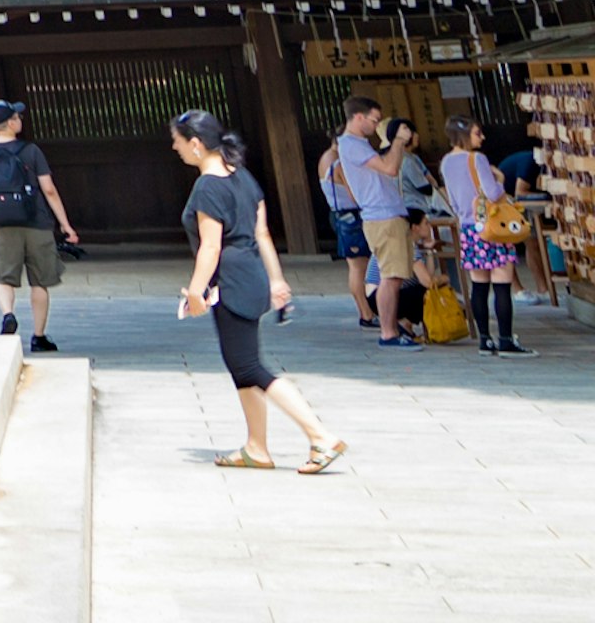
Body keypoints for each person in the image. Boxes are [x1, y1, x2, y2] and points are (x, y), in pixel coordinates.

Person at [175, 110, 343, 475]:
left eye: (177, 141)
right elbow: (262, 234)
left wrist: (195, 292)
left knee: (250, 365)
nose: (175, 148)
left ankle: (320, 435)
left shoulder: (208, 185)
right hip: (252, 276)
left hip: (231, 281)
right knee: (242, 364)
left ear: (195, 144)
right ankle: (256, 447)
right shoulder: (244, 178)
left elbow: (211, 247)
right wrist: (277, 279)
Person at [0, 98, 80, 357]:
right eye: (17, 117)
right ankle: (39, 337)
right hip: (36, 223)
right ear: (10, 122)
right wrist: (66, 226)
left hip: (0, 224)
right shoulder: (31, 151)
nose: (20, 120)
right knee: (39, 281)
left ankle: (8, 314)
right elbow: (49, 190)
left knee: (1, 276)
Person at [331, 96, 421, 349]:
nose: (377, 125)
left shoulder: (357, 144)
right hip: (382, 217)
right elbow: (390, 168)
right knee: (390, 278)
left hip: (385, 214)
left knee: (393, 276)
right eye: (375, 120)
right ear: (359, 117)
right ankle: (388, 332)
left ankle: (393, 328)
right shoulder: (353, 144)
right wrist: (399, 141)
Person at [440, 115, 529, 356]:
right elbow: (492, 193)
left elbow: (452, 198)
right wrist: (500, 180)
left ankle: (485, 340)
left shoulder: (446, 162)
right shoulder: (476, 159)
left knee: (479, 285)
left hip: (469, 228)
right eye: (478, 133)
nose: (482, 137)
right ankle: (506, 339)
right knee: (502, 284)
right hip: (492, 227)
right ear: (465, 134)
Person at [316, 132, 369, 324]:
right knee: (359, 267)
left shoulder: (325, 158)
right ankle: (366, 313)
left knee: (356, 267)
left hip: (338, 213)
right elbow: (355, 193)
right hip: (350, 215)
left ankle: (365, 311)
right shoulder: (338, 162)